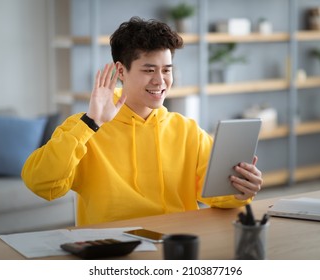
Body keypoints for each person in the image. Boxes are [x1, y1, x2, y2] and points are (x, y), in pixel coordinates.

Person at [22, 17, 263, 226]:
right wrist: (91, 122)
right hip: (114, 251)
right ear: (121, 71)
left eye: (167, 70)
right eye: (149, 70)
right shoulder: (85, 127)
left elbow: (218, 196)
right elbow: (42, 184)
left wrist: (242, 190)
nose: (160, 81)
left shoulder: (187, 130)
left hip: (175, 246)